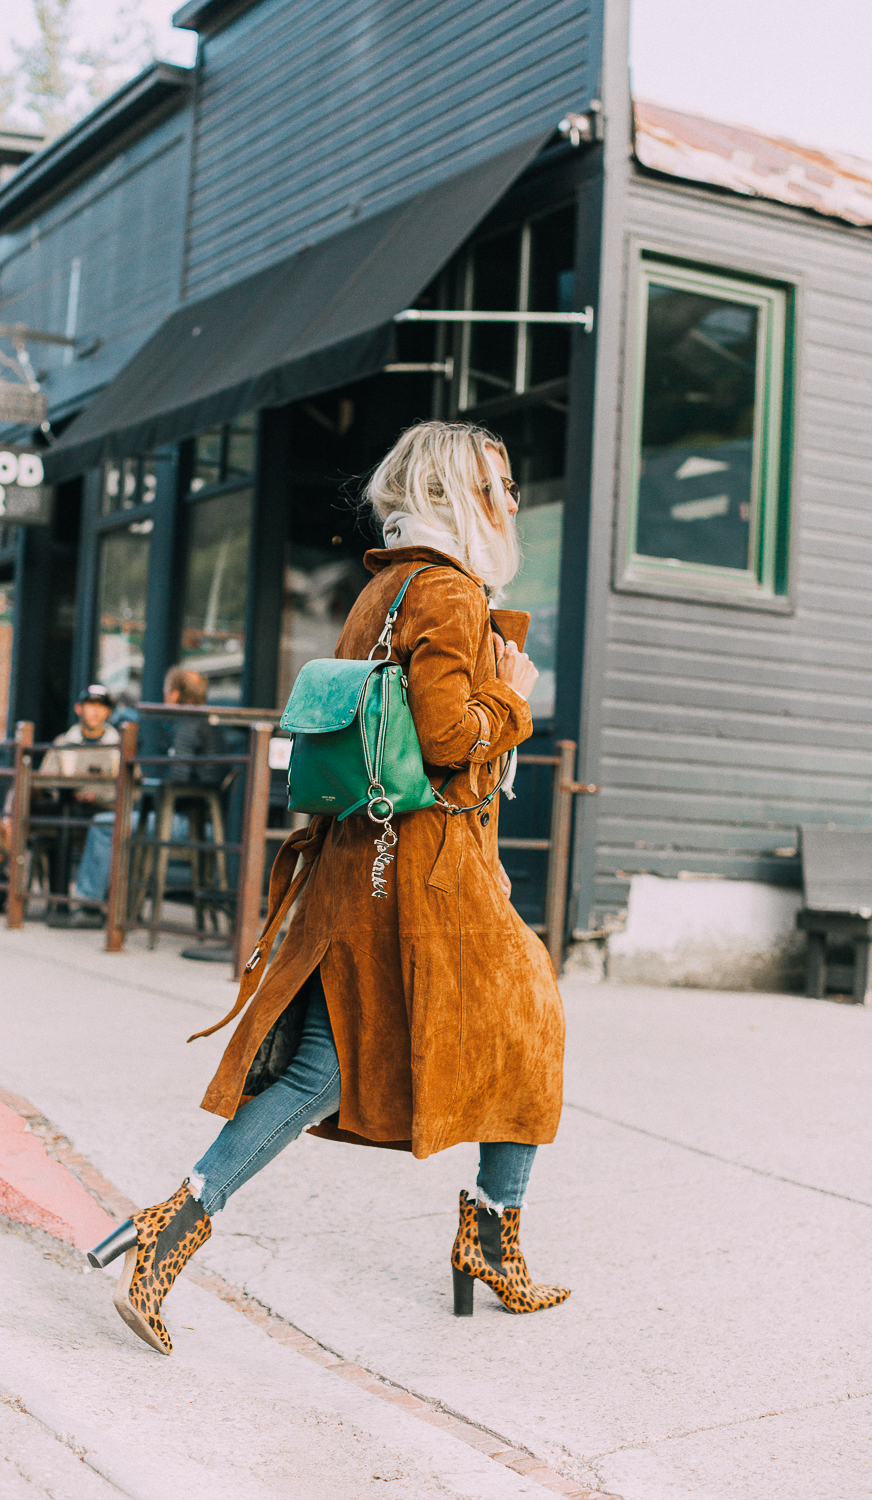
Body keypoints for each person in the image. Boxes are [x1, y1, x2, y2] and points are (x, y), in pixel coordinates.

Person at [87, 421, 569, 1355]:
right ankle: (492, 1234)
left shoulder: (383, 586)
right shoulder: (451, 592)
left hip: (359, 860)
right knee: (529, 1025)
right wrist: (516, 695)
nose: (512, 500)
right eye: (498, 482)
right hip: (427, 870)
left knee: (322, 1066)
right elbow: (442, 744)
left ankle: (173, 1221)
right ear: (457, 492)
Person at [58, 666, 219, 929]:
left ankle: (88, 906)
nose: (166, 695)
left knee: (107, 823)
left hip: (188, 824)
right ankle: (125, 906)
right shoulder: (204, 723)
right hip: (201, 822)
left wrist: (151, 791)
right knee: (129, 822)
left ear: (175, 695)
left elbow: (178, 779)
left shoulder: (186, 728)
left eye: (167, 690)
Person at [0, 686, 120, 895]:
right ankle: (6, 831)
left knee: (24, 816)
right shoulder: (64, 742)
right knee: (25, 787)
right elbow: (45, 778)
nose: (96, 711)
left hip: (97, 814)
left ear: (108, 712)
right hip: (62, 807)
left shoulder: (119, 746)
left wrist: (98, 797)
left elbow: (133, 791)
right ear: (79, 709)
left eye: (101, 706)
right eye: (90, 705)